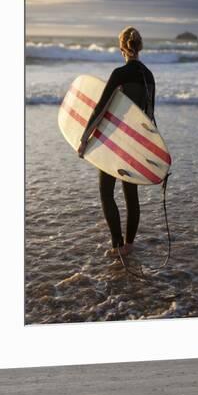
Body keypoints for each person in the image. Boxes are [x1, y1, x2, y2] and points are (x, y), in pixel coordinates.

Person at [77, 26, 156, 257]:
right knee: (131, 195)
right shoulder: (149, 76)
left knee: (106, 192)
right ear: (139, 47)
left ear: (122, 48)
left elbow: (101, 108)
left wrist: (84, 139)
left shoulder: (119, 74)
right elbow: (149, 117)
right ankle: (130, 245)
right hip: (136, 143)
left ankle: (117, 244)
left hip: (115, 143)